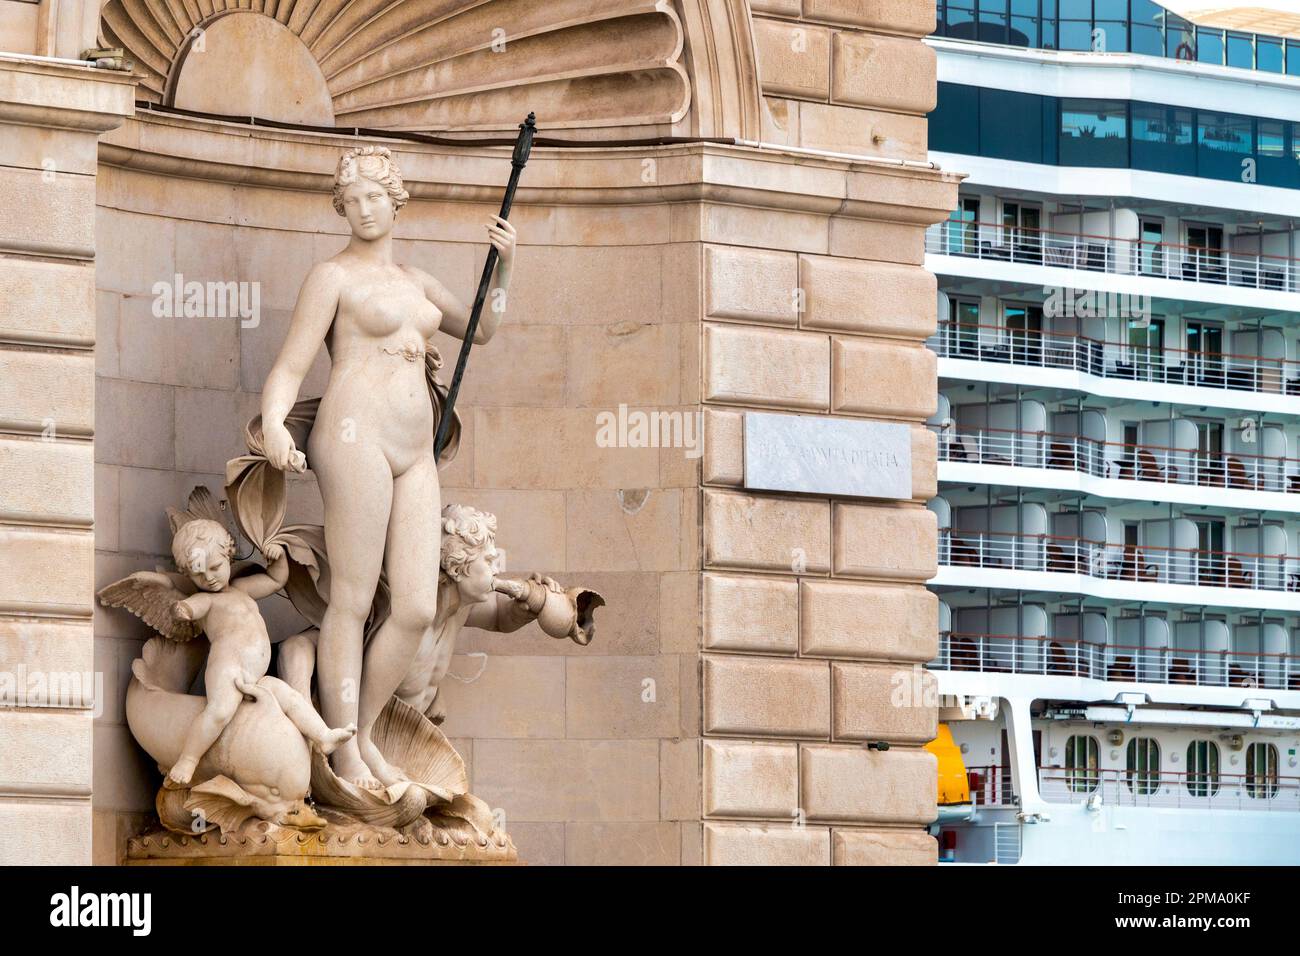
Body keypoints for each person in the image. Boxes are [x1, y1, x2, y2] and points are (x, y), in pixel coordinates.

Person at [259, 145, 516, 788]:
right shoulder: (332, 277)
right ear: (340, 208)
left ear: (395, 200)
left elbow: (484, 329)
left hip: (414, 450)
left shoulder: (419, 281)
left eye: (374, 196)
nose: (364, 209)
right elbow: (290, 366)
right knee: (349, 596)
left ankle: (365, 728)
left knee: (415, 607)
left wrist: (505, 266)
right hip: (354, 436)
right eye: (351, 200)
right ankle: (345, 750)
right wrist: (271, 425)